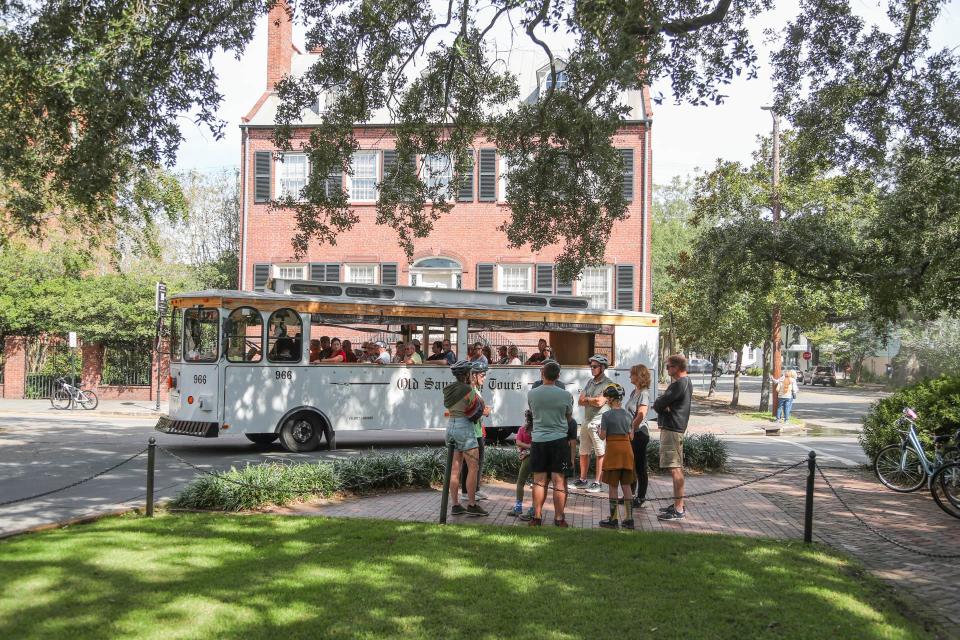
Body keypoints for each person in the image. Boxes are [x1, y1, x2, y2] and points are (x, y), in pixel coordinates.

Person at [526, 360, 573, 527]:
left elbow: (532, 412)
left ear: (542, 374)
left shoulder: (532, 394)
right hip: (559, 440)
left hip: (538, 440)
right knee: (559, 480)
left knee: (538, 480)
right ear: (558, 376)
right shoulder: (566, 395)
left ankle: (537, 517)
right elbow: (568, 417)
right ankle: (559, 518)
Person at [443, 360, 489, 516]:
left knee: (455, 469)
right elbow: (480, 406)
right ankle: (471, 503)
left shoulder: (448, 388)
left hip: (451, 426)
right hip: (465, 428)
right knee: (473, 467)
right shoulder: (468, 390)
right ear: (467, 374)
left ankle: (455, 504)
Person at [653, 354, 693, 521]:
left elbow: (658, 404)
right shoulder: (685, 382)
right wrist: (664, 405)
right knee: (676, 468)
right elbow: (663, 404)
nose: (667, 369)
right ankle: (678, 503)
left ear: (677, 367)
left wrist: (662, 405)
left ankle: (678, 509)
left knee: (675, 469)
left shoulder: (679, 384)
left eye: (669, 366)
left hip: (672, 429)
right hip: (674, 428)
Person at [598, 384, 636, 529]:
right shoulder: (628, 415)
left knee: (613, 486)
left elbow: (602, 436)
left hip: (613, 451)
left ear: (611, 399)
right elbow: (631, 436)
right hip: (627, 451)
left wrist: (598, 431)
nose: (606, 400)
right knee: (626, 486)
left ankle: (613, 519)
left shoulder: (606, 415)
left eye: (607, 398)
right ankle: (629, 519)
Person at [575, 354, 614, 493]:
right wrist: (592, 399)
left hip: (599, 421)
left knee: (600, 452)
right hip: (586, 421)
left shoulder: (608, 384)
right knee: (583, 452)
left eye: (594, 366)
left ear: (602, 368)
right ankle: (583, 480)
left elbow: (600, 402)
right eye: (591, 366)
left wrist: (588, 399)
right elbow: (580, 400)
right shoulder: (590, 382)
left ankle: (597, 482)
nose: (592, 369)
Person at [459, 361, 491, 502]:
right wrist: (485, 411)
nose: (484, 378)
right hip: (472, 431)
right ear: (474, 375)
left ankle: (475, 489)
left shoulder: (475, 389)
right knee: (471, 464)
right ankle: (467, 492)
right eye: (482, 375)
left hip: (477, 430)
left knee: (477, 463)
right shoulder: (470, 390)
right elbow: (470, 410)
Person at [625, 364, 652, 509]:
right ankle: (630, 494)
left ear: (639, 376)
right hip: (632, 432)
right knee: (631, 465)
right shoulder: (634, 392)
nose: (630, 376)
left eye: (632, 374)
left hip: (640, 433)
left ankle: (641, 497)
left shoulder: (644, 393)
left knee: (640, 466)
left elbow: (641, 414)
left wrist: (632, 429)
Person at [509, 420, 534, 518]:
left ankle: (518, 508)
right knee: (537, 484)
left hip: (527, 459)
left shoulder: (522, 429)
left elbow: (518, 442)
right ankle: (533, 508)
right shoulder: (539, 429)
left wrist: (528, 448)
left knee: (520, 482)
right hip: (539, 458)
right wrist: (533, 447)